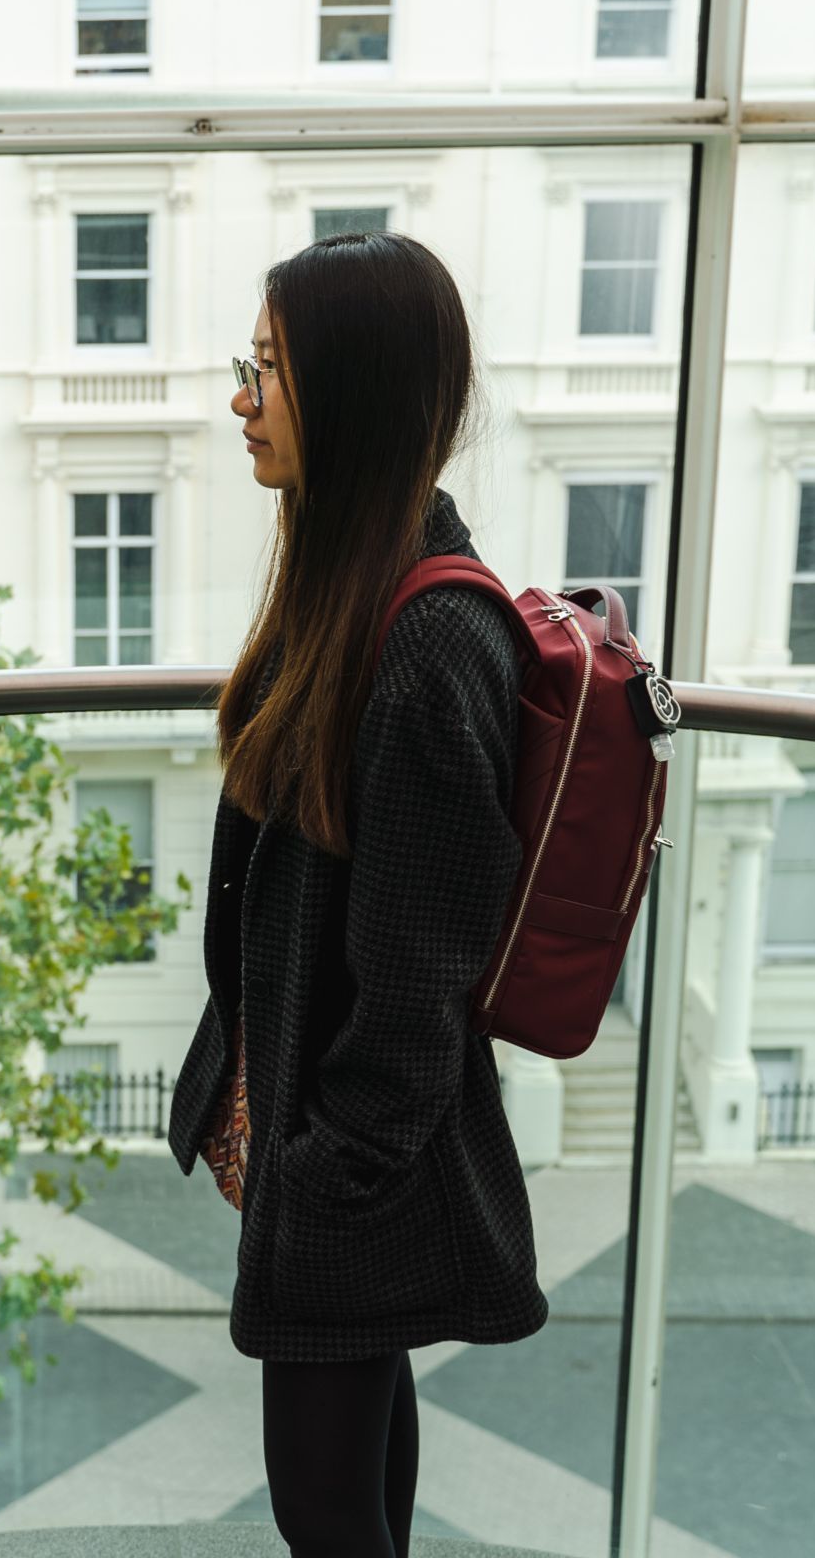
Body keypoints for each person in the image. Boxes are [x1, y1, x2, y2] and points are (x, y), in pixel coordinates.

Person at [168, 232, 543, 1556]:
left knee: (324, 1515)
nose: (241, 400)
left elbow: (417, 991)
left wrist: (323, 1189)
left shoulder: (429, 643)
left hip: (351, 1172)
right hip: (332, 1151)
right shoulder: (354, 589)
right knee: (355, 1495)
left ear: (355, 390)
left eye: (266, 369)